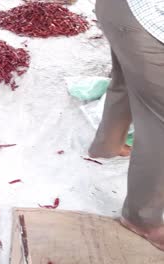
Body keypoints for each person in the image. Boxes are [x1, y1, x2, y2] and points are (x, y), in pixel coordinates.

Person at [90, 0, 164, 250]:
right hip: (146, 23)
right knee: (160, 121)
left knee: (126, 79)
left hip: (119, 8)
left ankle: (106, 147)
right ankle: (141, 218)